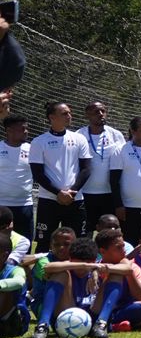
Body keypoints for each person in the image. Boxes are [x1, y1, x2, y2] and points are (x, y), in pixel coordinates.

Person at [29, 102, 92, 243]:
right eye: (65, 113)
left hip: (75, 199)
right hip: (49, 200)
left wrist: (72, 192)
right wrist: (58, 193)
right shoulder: (39, 141)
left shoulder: (79, 138)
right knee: (43, 242)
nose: (69, 116)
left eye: (70, 112)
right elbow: (37, 174)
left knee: (77, 242)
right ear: (52, 117)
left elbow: (86, 169)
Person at [75, 101, 125, 229]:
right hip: (85, 193)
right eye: (96, 112)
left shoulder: (116, 134)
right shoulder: (79, 135)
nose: (101, 114)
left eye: (103, 111)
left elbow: (123, 161)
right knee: (85, 234)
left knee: (110, 234)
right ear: (87, 115)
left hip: (110, 194)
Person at [0, 115, 33, 241]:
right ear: (9, 130)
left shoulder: (32, 149)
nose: (26, 131)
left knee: (25, 243)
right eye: (22, 129)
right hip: (2, 205)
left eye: (27, 128)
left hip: (25, 204)